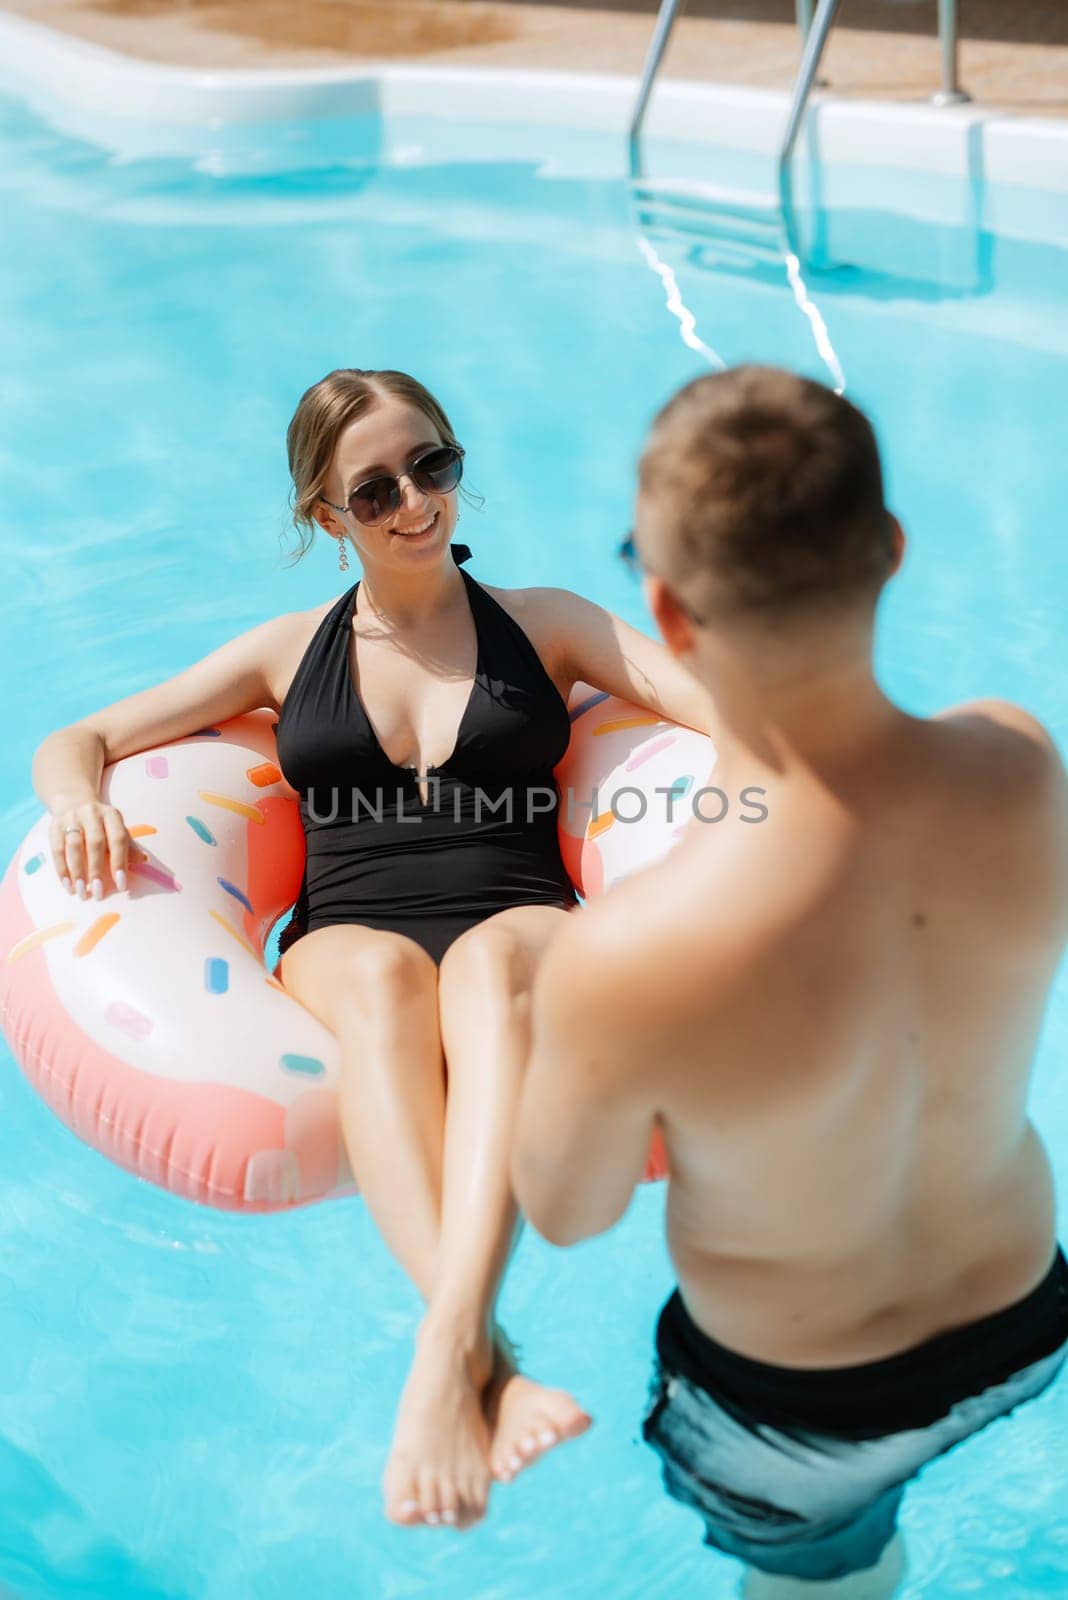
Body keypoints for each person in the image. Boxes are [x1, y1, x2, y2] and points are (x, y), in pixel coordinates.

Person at [31, 366, 713, 1534]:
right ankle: (480, 1355)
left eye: (433, 466)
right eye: (375, 488)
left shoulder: (547, 623)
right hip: (347, 930)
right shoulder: (289, 651)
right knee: (394, 976)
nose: (414, 503)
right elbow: (80, 735)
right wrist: (77, 802)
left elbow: (727, 713)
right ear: (324, 514)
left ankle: (450, 1350)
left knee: (494, 964)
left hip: (520, 908)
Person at [513, 365, 1068, 1597]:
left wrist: (552, 1016)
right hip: (1026, 1315)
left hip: (797, 1411)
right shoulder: (1025, 767)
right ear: (893, 549)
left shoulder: (632, 956)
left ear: (664, 606)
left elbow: (570, 1211)